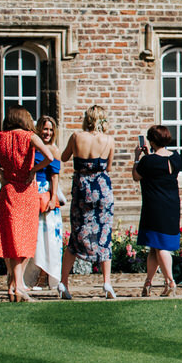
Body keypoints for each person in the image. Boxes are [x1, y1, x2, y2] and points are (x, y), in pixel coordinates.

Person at [0, 106, 55, 302]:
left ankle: (13, 286)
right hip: (26, 190)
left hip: (8, 190)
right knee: (24, 241)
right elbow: (49, 157)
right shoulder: (29, 137)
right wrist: (33, 170)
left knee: (13, 240)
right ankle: (18, 289)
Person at [60, 105, 118, 299]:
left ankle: (63, 282)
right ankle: (107, 283)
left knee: (77, 232)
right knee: (104, 232)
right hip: (101, 189)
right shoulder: (109, 140)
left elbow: (64, 157)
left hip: (82, 187)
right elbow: (108, 167)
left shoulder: (76, 137)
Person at [132, 124, 182, 297]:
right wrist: (148, 155)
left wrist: (137, 157)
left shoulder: (147, 161)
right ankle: (148, 282)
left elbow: (137, 175)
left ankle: (170, 281)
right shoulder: (176, 157)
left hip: (154, 206)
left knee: (160, 246)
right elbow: (160, 167)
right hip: (172, 205)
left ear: (152, 141)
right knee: (154, 247)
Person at [24, 115, 67, 296]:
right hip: (32, 191)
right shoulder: (33, 148)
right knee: (35, 238)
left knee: (49, 237)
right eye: (45, 129)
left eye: (51, 129)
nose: (48, 133)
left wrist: (51, 198)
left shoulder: (54, 150)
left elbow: (55, 176)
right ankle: (32, 276)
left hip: (46, 193)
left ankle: (46, 275)